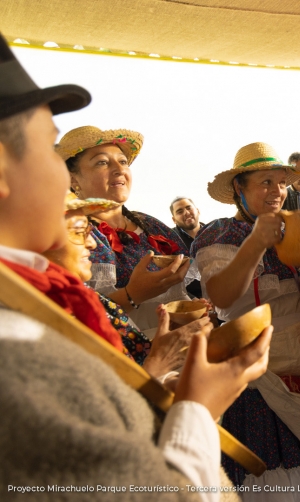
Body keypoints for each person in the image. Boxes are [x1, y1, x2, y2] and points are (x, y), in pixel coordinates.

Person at [0, 33, 271, 499]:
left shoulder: (142, 227)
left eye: (122, 161)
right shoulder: (18, 346)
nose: (117, 170)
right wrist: (197, 411)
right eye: (51, 149)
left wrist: (166, 373)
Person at [191, 142, 300, 500]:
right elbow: (222, 296)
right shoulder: (220, 235)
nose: (277, 191)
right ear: (238, 190)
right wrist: (256, 243)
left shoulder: (297, 228)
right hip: (260, 375)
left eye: (280, 182)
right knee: (279, 476)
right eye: (264, 182)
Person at [43, 192, 210, 379]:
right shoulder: (43, 309)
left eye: (89, 232)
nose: (91, 244)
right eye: (79, 232)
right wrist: (161, 362)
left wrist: (171, 326)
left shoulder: (84, 297)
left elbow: (132, 354)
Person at [57, 126, 198, 333]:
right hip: (126, 353)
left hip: (182, 339)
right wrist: (132, 294)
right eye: (102, 162)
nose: (119, 169)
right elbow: (72, 315)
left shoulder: (149, 224)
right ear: (72, 179)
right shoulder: (73, 233)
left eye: (122, 161)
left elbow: (185, 291)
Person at [171, 196, 206, 298]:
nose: (186, 213)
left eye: (189, 208)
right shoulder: (169, 240)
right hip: (190, 301)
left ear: (198, 211)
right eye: (179, 211)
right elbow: (171, 281)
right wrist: (193, 300)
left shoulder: (215, 233)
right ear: (174, 220)